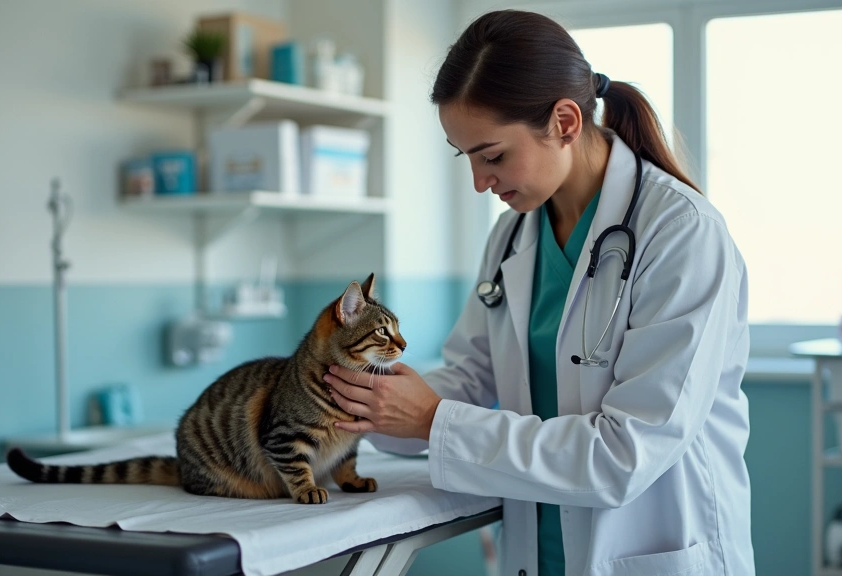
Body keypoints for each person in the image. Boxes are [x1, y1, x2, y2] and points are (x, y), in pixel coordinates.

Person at [323, 9, 754, 576]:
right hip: (537, 553)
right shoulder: (513, 235)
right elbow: (472, 379)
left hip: (648, 550)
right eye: (467, 157)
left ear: (566, 122)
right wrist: (371, 401)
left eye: (493, 155)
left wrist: (433, 422)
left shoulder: (680, 233)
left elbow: (624, 456)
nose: (480, 181)